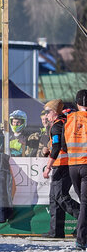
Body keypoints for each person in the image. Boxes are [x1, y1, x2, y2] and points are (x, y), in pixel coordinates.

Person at [40, 100, 78, 239]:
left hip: (62, 164)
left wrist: (48, 167)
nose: (45, 115)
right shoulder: (63, 122)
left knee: (60, 196)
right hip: (64, 164)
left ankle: (83, 219)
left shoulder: (57, 126)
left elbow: (56, 148)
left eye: (47, 112)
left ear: (55, 112)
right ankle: (55, 231)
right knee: (54, 198)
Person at [61, 90, 87, 248]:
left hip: (73, 166)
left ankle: (82, 235)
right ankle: (81, 239)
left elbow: (63, 145)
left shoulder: (69, 119)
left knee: (84, 202)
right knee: (85, 203)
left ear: (77, 103)